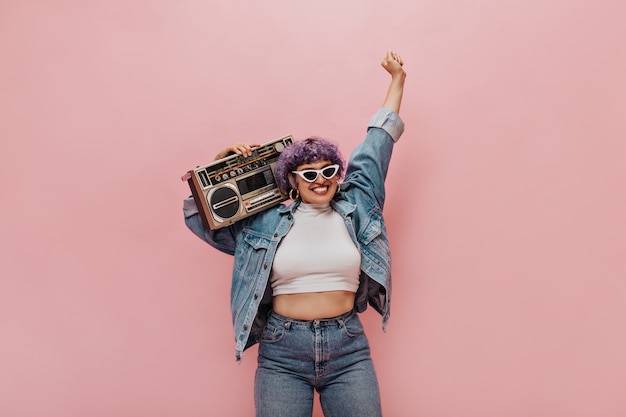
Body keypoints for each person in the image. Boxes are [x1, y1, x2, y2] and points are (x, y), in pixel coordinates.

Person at [183, 50, 406, 417]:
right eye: (308, 174)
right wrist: (215, 168)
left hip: (348, 346)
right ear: (292, 181)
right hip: (282, 350)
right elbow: (198, 217)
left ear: (338, 174)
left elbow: (378, 142)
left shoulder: (358, 204)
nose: (320, 180)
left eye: (328, 170)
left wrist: (397, 81)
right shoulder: (264, 223)